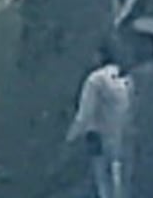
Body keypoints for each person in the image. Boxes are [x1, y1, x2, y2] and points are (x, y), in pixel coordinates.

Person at [66, 39, 131, 198]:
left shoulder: (95, 80)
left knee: (103, 182)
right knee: (122, 182)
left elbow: (85, 114)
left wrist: (70, 137)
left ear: (99, 56)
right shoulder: (128, 80)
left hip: (99, 139)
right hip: (125, 138)